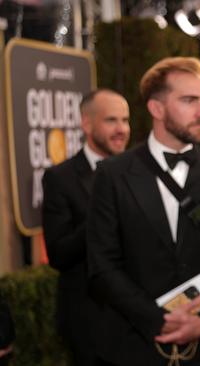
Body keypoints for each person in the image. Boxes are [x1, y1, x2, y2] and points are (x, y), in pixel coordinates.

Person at [86, 57, 200, 365]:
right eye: (189, 100)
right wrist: (157, 318)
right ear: (156, 109)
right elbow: (102, 264)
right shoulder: (113, 173)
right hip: (133, 343)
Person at [42, 89, 130, 366]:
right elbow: (58, 254)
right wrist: (102, 211)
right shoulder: (61, 178)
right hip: (90, 321)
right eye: (111, 120)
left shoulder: (139, 171)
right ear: (87, 124)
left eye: (126, 121)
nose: (121, 129)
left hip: (139, 319)